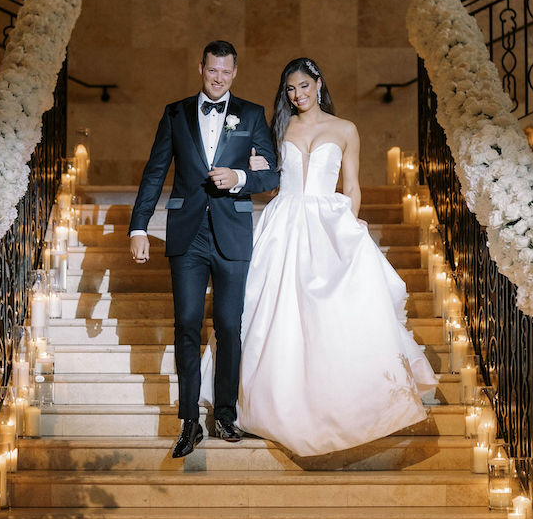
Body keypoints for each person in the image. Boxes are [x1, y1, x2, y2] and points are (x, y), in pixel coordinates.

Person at [233, 57, 438, 456]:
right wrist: (255, 167)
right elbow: (268, 182)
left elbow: (353, 185)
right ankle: (274, 401)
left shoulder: (346, 129)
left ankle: (347, 402)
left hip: (329, 222)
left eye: (304, 87)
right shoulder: (279, 127)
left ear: (319, 84)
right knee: (277, 311)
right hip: (284, 223)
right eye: (290, 89)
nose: (298, 95)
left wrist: (349, 228)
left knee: (332, 312)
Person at [129, 40, 279, 458]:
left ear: (235, 72)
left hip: (232, 233)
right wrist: (138, 227)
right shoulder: (175, 113)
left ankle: (226, 414)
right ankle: (189, 421)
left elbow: (271, 176)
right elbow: (155, 171)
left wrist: (240, 177)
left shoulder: (252, 115)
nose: (219, 78)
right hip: (187, 233)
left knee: (230, 326)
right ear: (201, 68)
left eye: (226, 72)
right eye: (213, 71)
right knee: (187, 324)